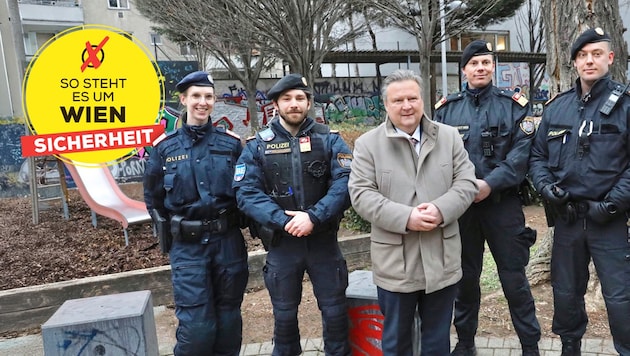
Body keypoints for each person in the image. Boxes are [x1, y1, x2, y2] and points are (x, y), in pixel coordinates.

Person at [348, 69, 478, 355]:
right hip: (396, 264)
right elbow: (361, 195)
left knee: (437, 342)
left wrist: (440, 210)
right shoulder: (368, 145)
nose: (407, 106)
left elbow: (467, 183)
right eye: (398, 100)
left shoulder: (450, 137)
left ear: (423, 100)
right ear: (386, 105)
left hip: (441, 261)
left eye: (412, 98)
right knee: (396, 343)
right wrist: (407, 218)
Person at [433, 40, 541, 356]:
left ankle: (530, 346)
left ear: (493, 67)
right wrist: (464, 190)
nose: (481, 68)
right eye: (474, 63)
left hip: (502, 207)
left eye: (486, 63)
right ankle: (465, 344)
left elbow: (522, 155)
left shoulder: (514, 105)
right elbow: (437, 158)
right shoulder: (447, 110)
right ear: (464, 69)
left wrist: (489, 184)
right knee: (465, 281)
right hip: (461, 209)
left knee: (515, 282)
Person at [233, 73, 353, 355]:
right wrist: (284, 220)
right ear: (276, 104)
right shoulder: (257, 145)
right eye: (287, 99)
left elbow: (346, 183)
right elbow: (246, 193)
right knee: (284, 317)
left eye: (300, 98)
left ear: (309, 102)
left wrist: (313, 217)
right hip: (282, 244)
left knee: (336, 314)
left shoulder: (329, 140)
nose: (294, 104)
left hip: (323, 241)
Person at [529, 27, 630, 356]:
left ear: (610, 59)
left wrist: (612, 204)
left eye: (596, 54)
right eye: (583, 55)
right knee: (566, 294)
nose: (590, 61)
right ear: (573, 61)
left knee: (620, 297)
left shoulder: (625, 106)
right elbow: (537, 157)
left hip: (608, 221)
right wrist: (546, 187)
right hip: (568, 220)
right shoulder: (557, 108)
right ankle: (569, 347)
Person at [143, 70, 249, 356]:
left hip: (228, 243)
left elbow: (246, 191)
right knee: (197, 328)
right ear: (183, 100)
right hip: (188, 248)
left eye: (208, 97)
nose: (202, 103)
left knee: (229, 322)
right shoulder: (164, 148)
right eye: (196, 97)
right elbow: (153, 199)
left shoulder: (230, 145)